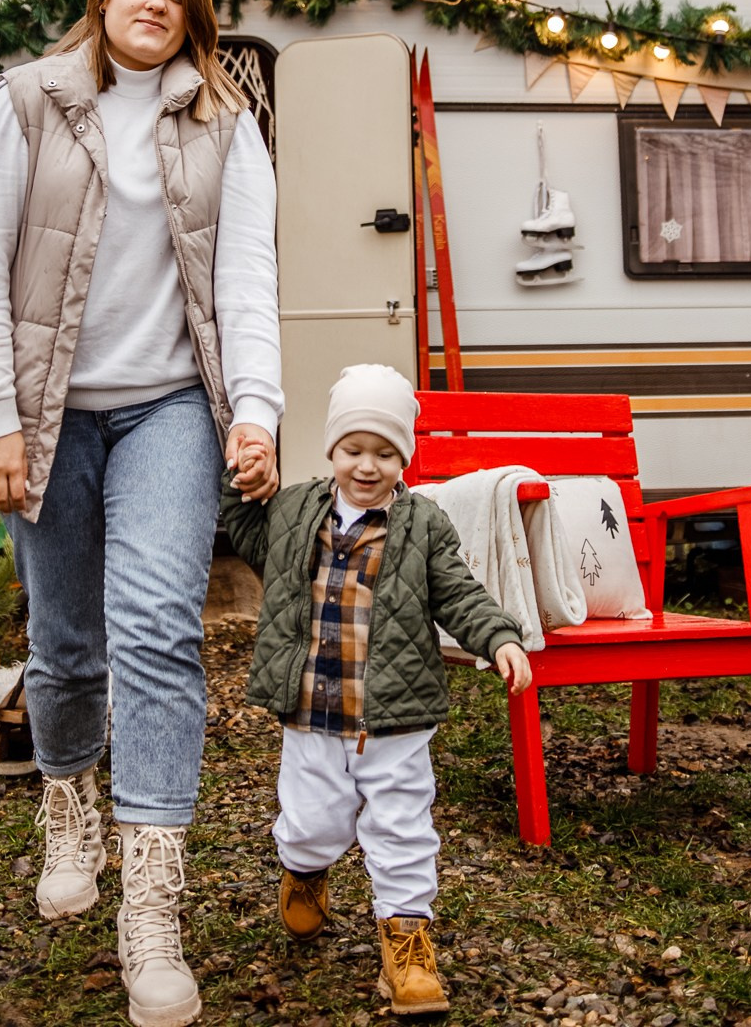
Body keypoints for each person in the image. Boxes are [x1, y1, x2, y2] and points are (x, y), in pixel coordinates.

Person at [0, 0, 282, 1027]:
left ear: (195, 16)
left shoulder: (225, 124)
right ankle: (66, 803)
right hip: (47, 417)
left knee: (155, 632)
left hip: (169, 411)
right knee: (66, 643)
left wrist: (260, 412)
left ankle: (152, 909)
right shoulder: (27, 102)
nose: (156, 4)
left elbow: (246, 282)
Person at [220, 363, 531, 1017]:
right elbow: (244, 529)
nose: (368, 465)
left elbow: (457, 592)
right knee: (312, 820)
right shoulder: (297, 509)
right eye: (354, 449)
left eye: (386, 452)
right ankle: (304, 870)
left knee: (402, 826)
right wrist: (243, 476)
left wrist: (498, 637)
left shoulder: (423, 525)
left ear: (404, 458)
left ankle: (408, 942)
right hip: (312, 711)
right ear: (331, 449)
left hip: (396, 716)